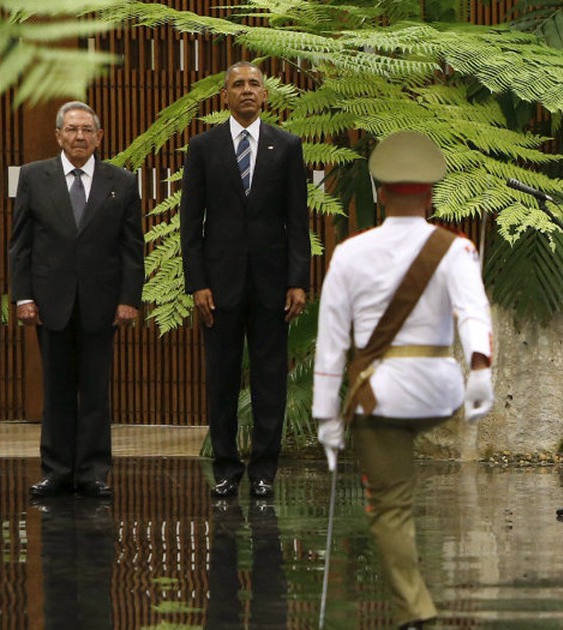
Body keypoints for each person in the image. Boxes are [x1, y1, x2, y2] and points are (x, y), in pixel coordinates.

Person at [312, 131, 494, 630]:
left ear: (382, 193)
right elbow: (473, 314)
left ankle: (417, 612)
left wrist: (327, 414)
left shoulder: (349, 253)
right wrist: (481, 368)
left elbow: (331, 343)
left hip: (382, 395)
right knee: (402, 484)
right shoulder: (455, 249)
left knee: (390, 505)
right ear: (431, 195)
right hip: (440, 391)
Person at [180, 61, 311, 499]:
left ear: (266, 95)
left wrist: (298, 281)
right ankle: (225, 467)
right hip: (218, 286)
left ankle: (263, 470)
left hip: (273, 284)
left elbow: (297, 219)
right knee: (221, 377)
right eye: (238, 85)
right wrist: (197, 282)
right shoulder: (202, 147)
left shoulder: (287, 146)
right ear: (225, 96)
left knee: (270, 378)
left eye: (255, 84)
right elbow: (190, 224)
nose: (247, 91)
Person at [9, 101, 143, 499]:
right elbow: (21, 245)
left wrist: (129, 299)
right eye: (71, 129)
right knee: (57, 390)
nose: (79, 136)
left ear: (99, 137)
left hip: (102, 304)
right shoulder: (35, 177)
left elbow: (131, 248)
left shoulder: (121, 180)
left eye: (87, 130)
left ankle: (93, 472)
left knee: (96, 392)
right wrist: (23, 296)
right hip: (50, 302)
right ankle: (55, 471)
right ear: (58, 136)